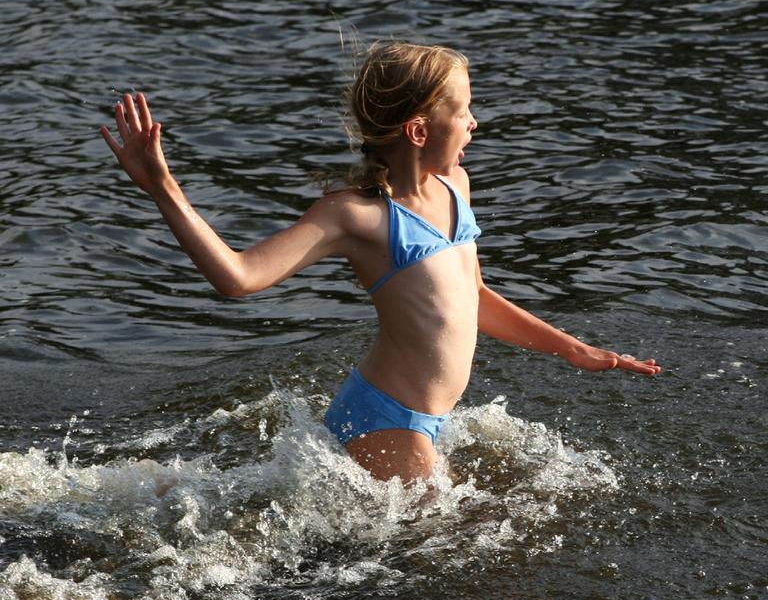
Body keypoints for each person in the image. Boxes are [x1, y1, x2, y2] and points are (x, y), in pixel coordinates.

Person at [100, 41, 661, 485]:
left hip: (429, 422)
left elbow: (470, 299)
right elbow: (237, 277)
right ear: (419, 130)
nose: (474, 124)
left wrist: (571, 347)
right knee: (451, 561)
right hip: (386, 420)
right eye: (464, 111)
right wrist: (163, 187)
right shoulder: (357, 217)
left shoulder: (456, 186)